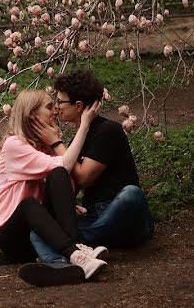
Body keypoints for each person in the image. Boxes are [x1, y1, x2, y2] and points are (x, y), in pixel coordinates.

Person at [29, 70, 154, 269]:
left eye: (60, 102)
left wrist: (55, 142)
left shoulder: (108, 131)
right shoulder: (79, 138)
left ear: (78, 106)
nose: (57, 108)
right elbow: (72, 185)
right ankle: (63, 259)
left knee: (132, 194)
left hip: (123, 216)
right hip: (95, 217)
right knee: (40, 232)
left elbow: (84, 177)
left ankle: (75, 244)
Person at [0, 89, 109, 286]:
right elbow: (65, 164)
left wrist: (65, 206)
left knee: (57, 174)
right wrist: (84, 126)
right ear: (32, 114)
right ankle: (74, 252)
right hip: (13, 236)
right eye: (48, 107)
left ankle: (70, 258)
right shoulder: (14, 145)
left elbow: (65, 180)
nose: (55, 111)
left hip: (41, 231)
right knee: (29, 203)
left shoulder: (41, 147)